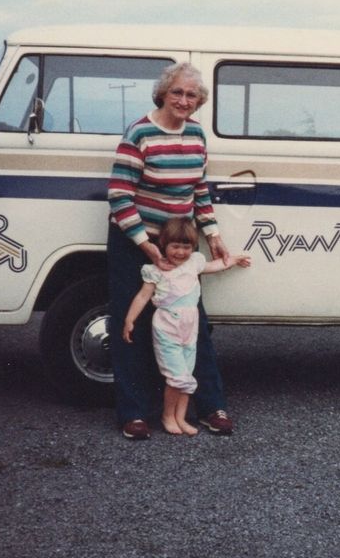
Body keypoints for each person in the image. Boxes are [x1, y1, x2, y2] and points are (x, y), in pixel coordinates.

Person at [107, 61, 236, 441]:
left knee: (191, 322)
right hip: (136, 241)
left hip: (179, 245)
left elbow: (199, 189)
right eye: (177, 92)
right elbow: (119, 195)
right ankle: (133, 414)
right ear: (163, 93)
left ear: (199, 102)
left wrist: (212, 234)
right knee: (132, 325)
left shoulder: (196, 134)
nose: (183, 100)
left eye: (191, 95)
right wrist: (147, 247)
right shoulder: (140, 133)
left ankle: (212, 407)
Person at [123, 218, 250, 436]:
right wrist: (129, 319)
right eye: (175, 246)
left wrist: (235, 259)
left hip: (189, 329)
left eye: (186, 247)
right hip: (167, 328)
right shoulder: (156, 270)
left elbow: (215, 265)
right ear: (163, 245)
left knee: (187, 375)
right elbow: (143, 296)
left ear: (192, 248)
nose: (180, 252)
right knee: (176, 375)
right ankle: (167, 416)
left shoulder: (194, 263)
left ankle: (180, 417)